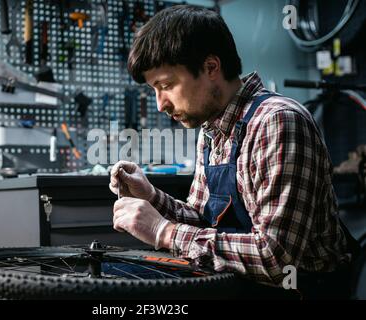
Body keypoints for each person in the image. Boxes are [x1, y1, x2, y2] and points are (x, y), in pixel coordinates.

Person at [109, 5, 358, 299]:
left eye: (166, 85)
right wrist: (151, 197)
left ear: (211, 67)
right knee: (116, 280)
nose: (160, 104)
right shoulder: (213, 129)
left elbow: (276, 259)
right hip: (244, 286)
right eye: (154, 89)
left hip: (301, 291)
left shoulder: (277, 122)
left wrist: (164, 232)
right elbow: (204, 222)